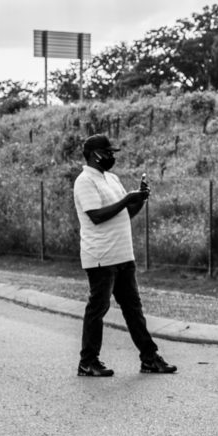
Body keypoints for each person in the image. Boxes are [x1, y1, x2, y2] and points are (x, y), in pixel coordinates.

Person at [72, 134, 177, 377]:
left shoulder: (111, 178)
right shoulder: (85, 181)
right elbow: (96, 216)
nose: (112, 156)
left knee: (133, 308)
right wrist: (125, 200)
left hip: (123, 255)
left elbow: (124, 214)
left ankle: (149, 358)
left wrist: (138, 200)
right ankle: (88, 361)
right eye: (108, 152)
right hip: (100, 257)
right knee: (98, 309)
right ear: (95, 155)